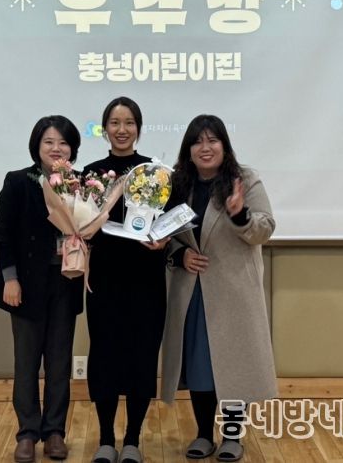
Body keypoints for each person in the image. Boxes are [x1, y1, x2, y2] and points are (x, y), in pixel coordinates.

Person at [161, 114, 277, 462]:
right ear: (188, 149)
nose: (205, 147)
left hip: (232, 290)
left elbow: (265, 228)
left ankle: (232, 436)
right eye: (197, 141)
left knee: (232, 363)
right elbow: (162, 232)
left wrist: (240, 214)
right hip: (191, 289)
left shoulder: (245, 179)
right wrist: (179, 254)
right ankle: (202, 433)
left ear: (224, 145)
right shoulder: (178, 184)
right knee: (199, 364)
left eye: (212, 140)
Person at [0, 115, 84, 463]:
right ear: (37, 146)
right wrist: (10, 279)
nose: (56, 148)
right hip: (26, 285)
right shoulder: (18, 181)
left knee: (59, 362)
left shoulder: (81, 184)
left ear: (72, 148)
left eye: (63, 142)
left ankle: (55, 431)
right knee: (26, 362)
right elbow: (3, 234)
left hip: (66, 281)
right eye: (49, 142)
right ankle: (27, 433)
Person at [83, 97, 167, 463]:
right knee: (104, 357)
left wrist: (163, 241)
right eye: (115, 123)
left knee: (142, 358)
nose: (122, 129)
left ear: (139, 128)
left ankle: (132, 440)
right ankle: (106, 439)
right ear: (105, 129)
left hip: (147, 280)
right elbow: (82, 224)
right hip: (104, 279)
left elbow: (169, 223)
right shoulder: (91, 173)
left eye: (129, 122)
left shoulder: (154, 172)